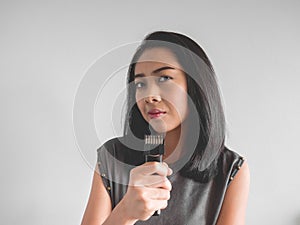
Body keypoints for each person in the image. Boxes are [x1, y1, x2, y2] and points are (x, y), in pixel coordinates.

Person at [81, 31, 250, 225]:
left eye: (164, 78)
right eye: (141, 83)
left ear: (195, 85)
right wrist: (126, 212)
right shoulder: (112, 158)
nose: (150, 96)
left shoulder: (230, 169)